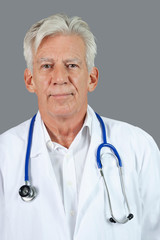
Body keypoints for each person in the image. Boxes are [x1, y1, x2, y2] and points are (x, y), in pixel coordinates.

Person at [0, 14, 160, 240]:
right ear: (30, 80)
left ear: (92, 79)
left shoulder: (138, 147)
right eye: (46, 66)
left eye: (72, 65)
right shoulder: (4, 153)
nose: (60, 78)